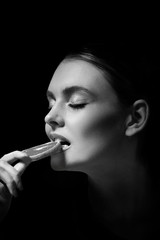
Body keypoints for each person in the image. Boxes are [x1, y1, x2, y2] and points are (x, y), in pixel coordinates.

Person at [0, 41, 159, 239]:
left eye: (76, 103)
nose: (49, 118)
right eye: (50, 104)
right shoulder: (38, 212)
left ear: (134, 118)